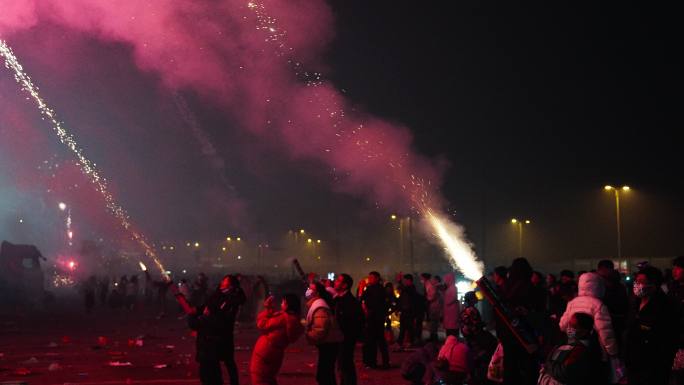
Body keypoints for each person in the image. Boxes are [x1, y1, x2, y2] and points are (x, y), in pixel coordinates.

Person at [624, 266, 677, 385]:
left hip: (653, 362)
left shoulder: (666, 305)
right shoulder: (635, 301)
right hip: (634, 360)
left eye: (642, 282)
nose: (637, 285)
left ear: (654, 284)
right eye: (636, 281)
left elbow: (668, 337)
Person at [559, 272, 620, 366]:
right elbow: (605, 331)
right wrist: (612, 351)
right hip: (593, 348)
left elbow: (562, 326)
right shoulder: (599, 305)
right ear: (599, 286)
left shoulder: (572, 302)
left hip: (574, 345)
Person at [497, 258, 540, 385]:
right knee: (528, 365)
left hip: (508, 332)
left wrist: (500, 333)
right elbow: (537, 311)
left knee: (510, 365)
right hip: (526, 333)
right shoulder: (531, 288)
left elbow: (498, 312)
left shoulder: (504, 288)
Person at [250, 294, 304, 385]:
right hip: (275, 353)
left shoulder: (283, 318)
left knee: (259, 377)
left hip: (265, 352)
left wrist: (267, 309)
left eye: (283, 302)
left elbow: (262, 324)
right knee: (268, 377)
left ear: (288, 305)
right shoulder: (293, 319)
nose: (281, 304)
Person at [539, 312, 605, 385]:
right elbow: (554, 358)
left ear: (583, 331)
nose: (568, 328)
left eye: (573, 326)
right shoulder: (569, 341)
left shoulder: (581, 350)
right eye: (569, 323)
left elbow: (564, 372)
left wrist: (548, 365)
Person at [205, 274, 246, 385]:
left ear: (231, 285)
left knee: (229, 361)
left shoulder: (233, 297)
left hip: (225, 333)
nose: (222, 283)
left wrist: (214, 313)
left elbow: (224, 314)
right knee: (216, 361)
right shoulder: (219, 293)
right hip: (215, 333)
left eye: (225, 281)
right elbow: (211, 304)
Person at [306, 281, 343, 385]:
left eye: (311, 289)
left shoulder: (319, 306)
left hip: (328, 343)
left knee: (325, 375)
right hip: (329, 342)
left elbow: (320, 328)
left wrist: (309, 336)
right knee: (326, 373)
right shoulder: (319, 304)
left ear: (317, 293)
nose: (308, 291)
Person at [460, 292, 497, 385]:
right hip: (475, 338)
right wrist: (484, 324)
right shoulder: (472, 310)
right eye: (475, 297)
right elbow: (476, 325)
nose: (476, 298)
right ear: (471, 299)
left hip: (469, 337)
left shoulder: (465, 309)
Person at [333, 273, 363, 385]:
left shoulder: (350, 301)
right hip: (340, 338)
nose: (335, 281)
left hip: (345, 339)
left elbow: (355, 322)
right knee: (342, 365)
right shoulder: (339, 298)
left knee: (346, 365)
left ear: (345, 285)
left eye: (338, 280)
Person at [596, 260, 628, 351]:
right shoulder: (598, 284)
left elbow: (623, 305)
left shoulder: (615, 286)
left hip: (614, 321)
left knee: (614, 346)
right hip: (608, 320)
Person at [361, 271, 390, 369]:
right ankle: (380, 362)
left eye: (372, 278)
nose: (369, 279)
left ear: (377, 278)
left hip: (375, 318)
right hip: (376, 318)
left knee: (374, 341)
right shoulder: (372, 288)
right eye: (369, 277)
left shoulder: (378, 289)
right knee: (378, 341)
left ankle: (373, 362)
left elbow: (364, 299)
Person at [668, 256, 684, 384]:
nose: (675, 271)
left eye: (678, 268)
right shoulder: (673, 288)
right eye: (674, 268)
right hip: (676, 339)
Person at [397, 274, 419, 349]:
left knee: (409, 328)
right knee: (403, 328)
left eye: (406, 280)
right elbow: (401, 299)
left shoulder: (412, 288)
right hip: (404, 310)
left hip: (409, 311)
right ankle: (400, 343)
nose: (405, 282)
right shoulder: (407, 288)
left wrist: (400, 281)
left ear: (409, 280)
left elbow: (405, 291)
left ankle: (410, 342)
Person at [442, 272, 460, 337]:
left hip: (452, 311)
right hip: (449, 311)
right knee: (450, 327)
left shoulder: (453, 288)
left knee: (452, 328)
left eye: (446, 279)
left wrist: (447, 302)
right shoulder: (450, 288)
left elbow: (453, 298)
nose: (445, 281)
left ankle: (453, 341)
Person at [426, 275, 443, 342]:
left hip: (435, 307)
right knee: (434, 323)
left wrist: (428, 298)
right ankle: (433, 337)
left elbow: (432, 297)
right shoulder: (439, 287)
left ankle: (433, 338)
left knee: (433, 323)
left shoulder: (436, 287)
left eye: (433, 279)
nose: (432, 281)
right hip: (436, 307)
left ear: (436, 280)